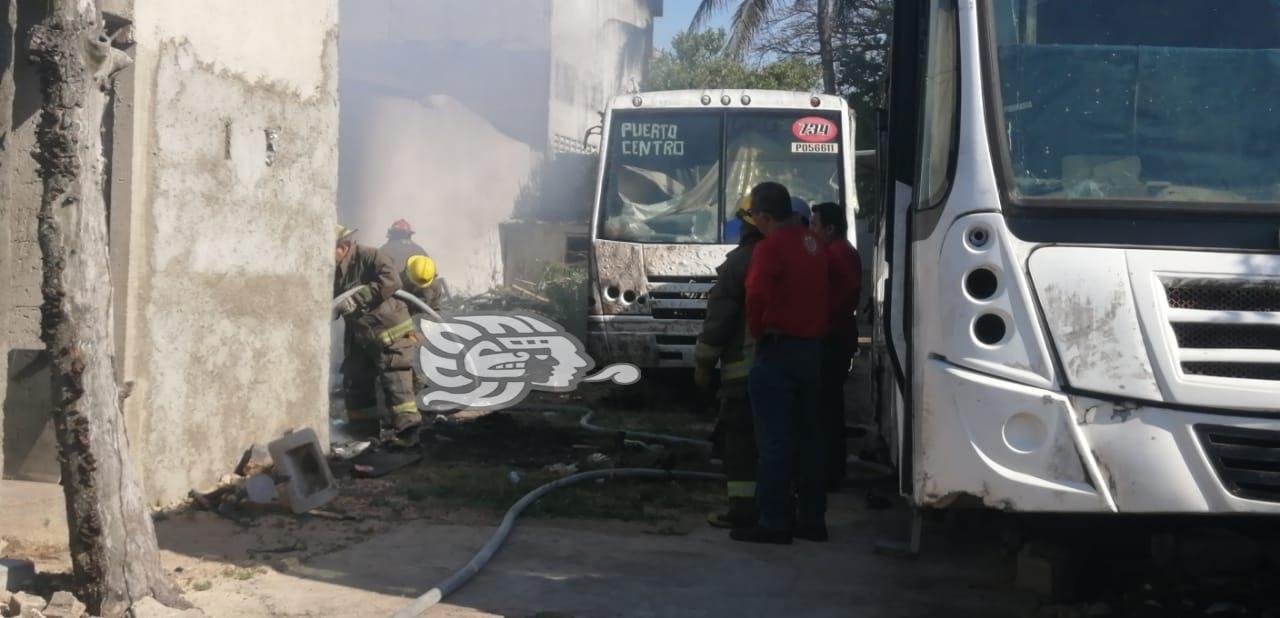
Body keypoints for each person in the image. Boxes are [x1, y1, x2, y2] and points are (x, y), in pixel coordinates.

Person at [733, 182, 830, 545]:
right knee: (810, 438)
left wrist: (758, 332)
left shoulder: (769, 247)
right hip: (812, 350)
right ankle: (812, 519)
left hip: (778, 350)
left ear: (762, 215)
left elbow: (756, 294)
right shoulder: (814, 243)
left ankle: (774, 521)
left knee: (774, 440)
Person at [694, 198, 765, 530]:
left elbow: (720, 321)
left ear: (747, 224)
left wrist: (704, 363)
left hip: (744, 371)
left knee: (740, 441)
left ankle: (742, 509)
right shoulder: (797, 256)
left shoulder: (741, 263)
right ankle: (779, 503)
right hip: (789, 367)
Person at [334, 225, 421, 441]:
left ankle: (408, 437)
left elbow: (391, 280)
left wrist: (357, 298)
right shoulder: (333, 269)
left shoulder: (370, 256)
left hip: (389, 334)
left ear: (343, 246)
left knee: (397, 389)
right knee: (356, 383)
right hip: (361, 337)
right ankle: (363, 436)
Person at [811, 202, 863, 490]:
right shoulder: (844, 252)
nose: (811, 230)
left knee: (825, 410)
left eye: (814, 224)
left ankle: (829, 472)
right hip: (837, 336)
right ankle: (831, 469)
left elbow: (836, 301)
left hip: (831, 338)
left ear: (829, 228)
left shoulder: (834, 254)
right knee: (829, 408)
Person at [381, 220, 449, 313]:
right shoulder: (420, 250)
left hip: (397, 305)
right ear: (409, 235)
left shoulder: (383, 251)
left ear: (392, 234)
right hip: (425, 302)